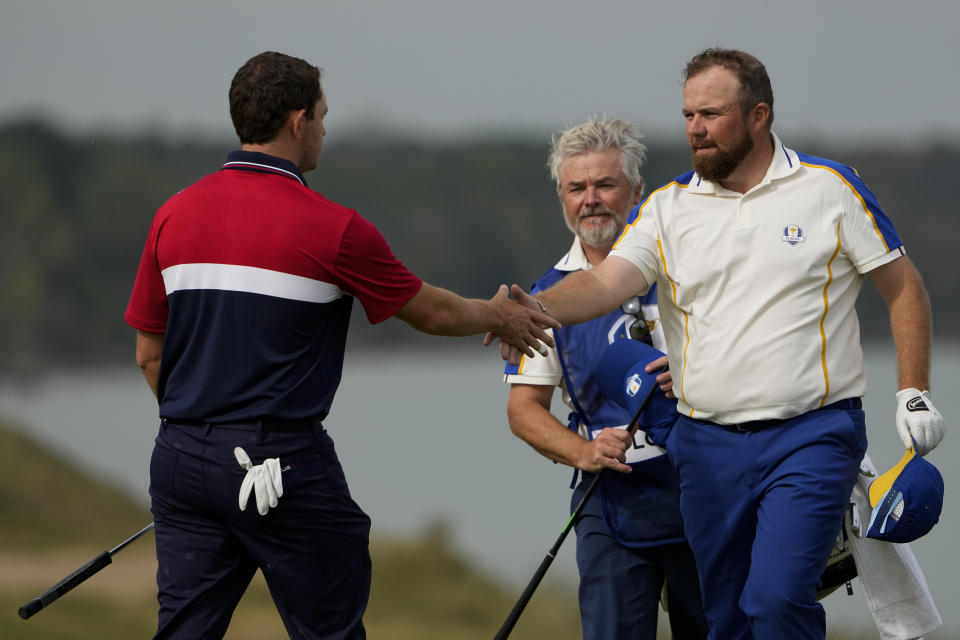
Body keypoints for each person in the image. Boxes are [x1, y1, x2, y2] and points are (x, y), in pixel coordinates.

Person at [504, 49, 945, 639]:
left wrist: (913, 391)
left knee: (776, 599)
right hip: (706, 446)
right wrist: (531, 310)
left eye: (711, 114)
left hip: (811, 434)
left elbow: (904, 288)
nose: (695, 129)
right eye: (688, 115)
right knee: (729, 617)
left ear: (758, 115)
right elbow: (604, 284)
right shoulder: (667, 207)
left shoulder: (830, 189)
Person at [123, 51, 557, 640]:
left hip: (179, 457)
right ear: (297, 122)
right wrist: (500, 316)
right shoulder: (334, 228)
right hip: (279, 461)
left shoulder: (171, 215)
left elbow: (150, 356)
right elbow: (429, 312)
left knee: (185, 630)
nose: (325, 130)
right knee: (330, 628)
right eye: (323, 117)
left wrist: (203, 442)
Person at [502, 116, 707, 639]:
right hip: (611, 502)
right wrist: (582, 452)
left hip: (707, 489)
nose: (590, 199)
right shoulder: (545, 294)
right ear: (562, 199)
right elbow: (524, 411)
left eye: (605, 184)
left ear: (636, 190)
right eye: (576, 188)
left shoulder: (691, 269)